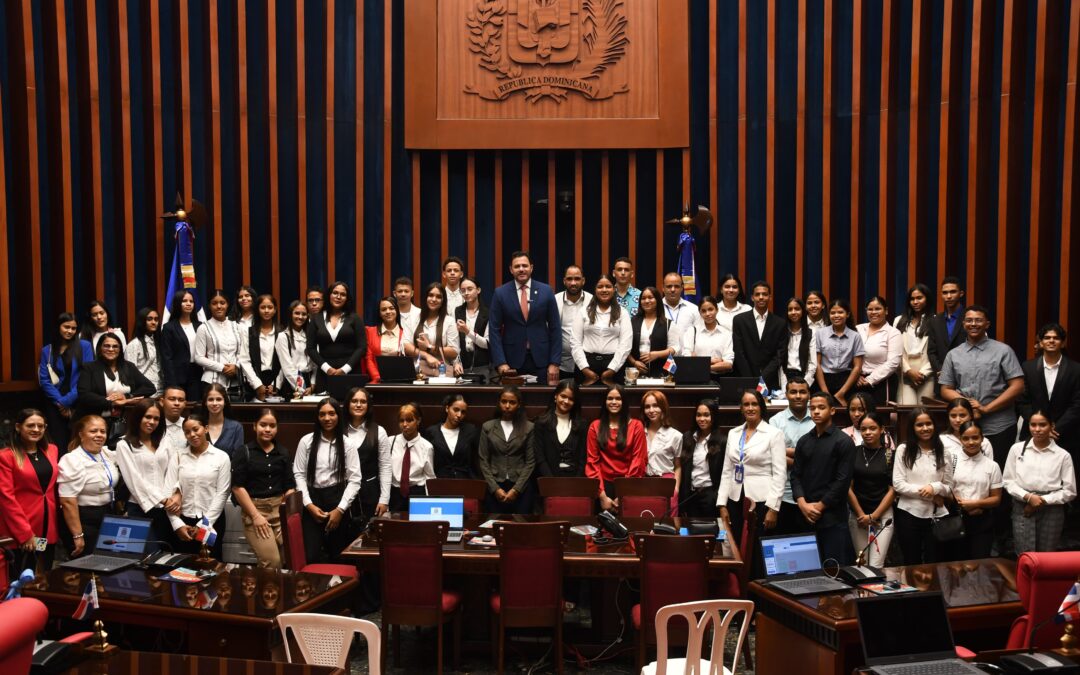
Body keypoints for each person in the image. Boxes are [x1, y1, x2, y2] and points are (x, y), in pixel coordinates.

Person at [939, 305, 1025, 467]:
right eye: (969, 320)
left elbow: (1018, 385)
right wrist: (968, 406)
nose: (973, 324)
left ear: (987, 324)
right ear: (963, 324)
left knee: (999, 473)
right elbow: (945, 389)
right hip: (964, 428)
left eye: (978, 320)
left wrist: (986, 408)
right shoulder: (953, 354)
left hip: (999, 425)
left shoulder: (1003, 351)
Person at [292, 399, 362, 562]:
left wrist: (340, 510)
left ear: (338, 416)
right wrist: (309, 505)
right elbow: (299, 474)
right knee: (311, 556)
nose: (327, 418)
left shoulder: (347, 444)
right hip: (312, 500)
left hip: (337, 499)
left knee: (339, 555)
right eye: (322, 414)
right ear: (317, 417)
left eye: (332, 413)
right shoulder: (306, 441)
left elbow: (355, 480)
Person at [790, 392, 856, 564]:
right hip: (805, 516)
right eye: (812, 408)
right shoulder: (804, 441)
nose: (816, 412)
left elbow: (842, 482)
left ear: (832, 410)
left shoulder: (843, 442)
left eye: (821, 408)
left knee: (834, 571)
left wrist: (819, 507)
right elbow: (795, 475)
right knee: (807, 570)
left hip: (832, 518)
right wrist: (802, 503)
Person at [717, 390, 787, 550]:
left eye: (754, 404)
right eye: (746, 404)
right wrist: (722, 504)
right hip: (736, 498)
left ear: (761, 407)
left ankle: (756, 576)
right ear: (741, 408)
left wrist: (773, 508)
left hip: (762, 500)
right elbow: (727, 471)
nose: (750, 408)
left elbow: (780, 474)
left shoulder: (774, 434)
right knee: (735, 543)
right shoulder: (733, 433)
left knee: (757, 546)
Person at [1003, 411, 1077, 554]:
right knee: (1024, 554)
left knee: (1047, 556)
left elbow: (1070, 491)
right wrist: (1029, 497)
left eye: (1042, 425)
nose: (1037, 429)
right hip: (1022, 504)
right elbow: (1008, 481)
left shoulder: (1063, 455)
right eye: (1033, 425)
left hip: (1052, 509)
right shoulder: (1017, 449)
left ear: (1052, 426)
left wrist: (1042, 500)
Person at [231, 408, 295, 568]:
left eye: (272, 426)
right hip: (255, 511)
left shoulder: (283, 452)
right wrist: (256, 516)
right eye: (263, 425)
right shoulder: (244, 452)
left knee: (286, 561)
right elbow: (237, 487)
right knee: (271, 562)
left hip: (279, 511)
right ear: (254, 426)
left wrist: (284, 514)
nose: (267, 429)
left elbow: (290, 486)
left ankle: (278, 593)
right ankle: (267, 593)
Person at [488, 251, 562, 384]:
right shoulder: (500, 293)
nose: (521, 269)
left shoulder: (546, 291)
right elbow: (494, 331)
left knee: (541, 401)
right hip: (511, 362)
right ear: (511, 269)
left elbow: (555, 328)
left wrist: (554, 362)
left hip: (542, 360)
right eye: (517, 266)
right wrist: (500, 363)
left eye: (524, 266)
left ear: (531, 268)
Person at [114, 399, 180, 548]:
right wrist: (163, 499)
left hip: (166, 509)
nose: (152, 422)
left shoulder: (165, 441)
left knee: (164, 555)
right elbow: (134, 480)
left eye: (156, 418)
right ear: (138, 417)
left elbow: (174, 470)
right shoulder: (124, 445)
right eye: (147, 417)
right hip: (139, 508)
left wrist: (175, 494)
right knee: (144, 555)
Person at [0, 409, 59, 573]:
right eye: (30, 425)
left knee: (44, 578)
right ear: (18, 427)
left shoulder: (52, 450)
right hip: (21, 530)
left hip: (48, 526)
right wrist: (25, 534)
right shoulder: (6, 456)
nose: (36, 429)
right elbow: (6, 498)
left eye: (41, 426)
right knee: (22, 581)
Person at [167, 411, 232, 559]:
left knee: (211, 567)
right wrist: (177, 524)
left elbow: (222, 493)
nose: (192, 434)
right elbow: (168, 492)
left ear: (206, 429)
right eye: (187, 432)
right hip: (184, 522)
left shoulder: (221, 457)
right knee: (184, 568)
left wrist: (203, 525)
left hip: (211, 521)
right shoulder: (178, 456)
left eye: (196, 429)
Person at [58, 415, 121, 558]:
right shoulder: (71, 460)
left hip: (107, 514)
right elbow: (67, 501)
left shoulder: (106, 454)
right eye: (93, 431)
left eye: (102, 431)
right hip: (83, 519)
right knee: (88, 565)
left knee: (108, 562)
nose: (99, 435)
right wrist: (78, 535)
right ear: (81, 434)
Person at [892, 408, 950, 565]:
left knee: (935, 562)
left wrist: (935, 486)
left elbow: (949, 486)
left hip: (936, 516)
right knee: (912, 561)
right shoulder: (903, 450)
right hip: (908, 513)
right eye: (919, 425)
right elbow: (898, 484)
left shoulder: (944, 451)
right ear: (912, 428)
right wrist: (929, 493)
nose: (925, 428)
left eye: (928, 423)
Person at [1019, 323, 1079, 464]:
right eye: (1047, 338)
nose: (1051, 341)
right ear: (1040, 342)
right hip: (1033, 432)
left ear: (1063, 343)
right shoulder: (1028, 367)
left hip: (1065, 434)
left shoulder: (1076, 369)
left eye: (1056, 338)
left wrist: (1055, 429)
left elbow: (1077, 404)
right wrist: (1039, 426)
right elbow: (1022, 401)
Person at [945, 421, 1002, 561]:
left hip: (982, 521)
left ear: (982, 438)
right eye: (966, 438)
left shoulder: (992, 466)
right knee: (956, 564)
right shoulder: (951, 460)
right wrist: (959, 504)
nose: (971, 442)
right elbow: (945, 489)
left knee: (979, 563)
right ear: (960, 439)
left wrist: (976, 504)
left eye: (975, 438)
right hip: (955, 519)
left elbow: (996, 499)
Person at [587, 384, 648, 511]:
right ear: (605, 401)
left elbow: (638, 461)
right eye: (610, 398)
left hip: (629, 485)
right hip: (602, 486)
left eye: (618, 398)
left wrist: (622, 494)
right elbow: (592, 462)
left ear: (624, 402)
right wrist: (602, 497)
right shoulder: (595, 426)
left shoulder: (636, 426)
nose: (614, 402)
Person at [39, 312, 94, 452]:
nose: (70, 331)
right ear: (59, 327)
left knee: (78, 440)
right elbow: (44, 380)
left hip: (78, 399)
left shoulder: (84, 346)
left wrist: (67, 401)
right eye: (66, 327)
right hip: (54, 402)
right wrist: (60, 402)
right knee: (58, 442)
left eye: (73, 328)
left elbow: (86, 376)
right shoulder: (48, 350)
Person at [846, 411, 896, 567]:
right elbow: (848, 488)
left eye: (872, 428)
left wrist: (874, 516)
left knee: (876, 564)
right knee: (861, 562)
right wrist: (862, 515)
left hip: (882, 515)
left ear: (881, 429)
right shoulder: (853, 452)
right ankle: (863, 592)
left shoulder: (889, 454)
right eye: (864, 429)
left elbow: (893, 490)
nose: (867, 433)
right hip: (858, 515)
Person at [478, 386, 536, 513]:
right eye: (504, 401)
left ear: (519, 404)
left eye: (512, 402)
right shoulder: (488, 427)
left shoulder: (528, 427)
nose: (507, 406)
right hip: (494, 485)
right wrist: (495, 488)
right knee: (492, 526)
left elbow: (530, 462)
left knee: (521, 527)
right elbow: (483, 460)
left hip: (521, 486)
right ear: (499, 403)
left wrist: (516, 489)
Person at [75, 333, 155, 423]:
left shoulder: (129, 367)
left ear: (120, 349)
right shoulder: (89, 368)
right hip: (94, 420)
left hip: (124, 421)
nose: (111, 349)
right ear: (100, 348)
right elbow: (84, 394)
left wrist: (126, 397)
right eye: (106, 346)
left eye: (115, 346)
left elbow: (150, 388)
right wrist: (112, 402)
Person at [770, 376, 815, 534]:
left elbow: (821, 454)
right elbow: (773, 455)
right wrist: (807, 456)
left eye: (802, 392)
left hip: (812, 497)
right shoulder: (775, 421)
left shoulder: (817, 419)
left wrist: (786, 451)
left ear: (809, 394)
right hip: (784, 495)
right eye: (793, 392)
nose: (798, 396)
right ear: (786, 394)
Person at [306, 281, 369, 393]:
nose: (338, 297)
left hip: (351, 372)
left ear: (347, 298)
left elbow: (362, 348)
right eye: (335, 293)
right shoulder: (317, 318)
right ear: (329, 295)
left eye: (343, 294)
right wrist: (327, 368)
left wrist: (345, 369)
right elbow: (310, 348)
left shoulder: (355, 318)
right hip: (325, 374)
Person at [572, 274, 632, 386]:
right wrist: (585, 369)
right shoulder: (583, 312)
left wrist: (612, 369)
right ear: (595, 289)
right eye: (600, 287)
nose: (604, 290)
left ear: (614, 289)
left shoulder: (622, 313)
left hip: (614, 366)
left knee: (614, 402)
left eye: (608, 286)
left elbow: (626, 345)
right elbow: (575, 343)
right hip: (586, 365)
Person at [343, 387, 391, 520]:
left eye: (363, 401)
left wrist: (384, 499)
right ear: (348, 404)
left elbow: (385, 467)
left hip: (370, 494)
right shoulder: (338, 430)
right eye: (354, 401)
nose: (358, 405)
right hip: (342, 493)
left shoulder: (379, 431)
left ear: (368, 405)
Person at [732, 281, 788, 392]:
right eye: (757, 294)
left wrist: (762, 378)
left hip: (770, 380)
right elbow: (739, 351)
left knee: (769, 409)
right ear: (752, 298)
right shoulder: (739, 320)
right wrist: (751, 379)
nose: (761, 297)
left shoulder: (780, 323)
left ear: (770, 297)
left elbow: (780, 354)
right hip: (745, 378)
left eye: (765, 294)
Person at [676, 399, 726, 517]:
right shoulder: (688, 437)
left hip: (710, 495)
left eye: (706, 415)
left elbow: (725, 474)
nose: (702, 419)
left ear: (713, 417)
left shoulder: (722, 441)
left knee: (710, 532)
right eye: (698, 415)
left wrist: (716, 497)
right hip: (690, 495)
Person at [192, 289, 245, 397]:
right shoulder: (203, 328)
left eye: (222, 303)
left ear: (227, 305)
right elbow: (198, 357)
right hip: (211, 381)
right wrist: (222, 367)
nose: (219, 306)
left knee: (236, 413)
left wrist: (236, 366)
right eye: (214, 303)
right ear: (209, 306)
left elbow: (244, 353)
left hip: (236, 381)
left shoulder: (237, 327)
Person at [532, 379, 589, 478]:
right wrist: (552, 482)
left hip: (575, 481)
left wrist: (577, 482)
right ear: (556, 396)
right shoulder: (541, 423)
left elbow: (582, 459)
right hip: (548, 480)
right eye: (563, 396)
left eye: (571, 399)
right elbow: (540, 458)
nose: (566, 401)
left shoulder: (582, 425)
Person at [815, 298, 865, 406]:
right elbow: (817, 364)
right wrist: (825, 392)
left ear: (847, 314)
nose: (836, 315)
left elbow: (857, 367)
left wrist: (842, 393)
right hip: (824, 379)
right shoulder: (820, 333)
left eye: (840, 312)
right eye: (833, 313)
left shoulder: (855, 336)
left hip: (846, 381)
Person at [386, 402, 436, 511]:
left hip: (417, 493)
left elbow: (429, 477)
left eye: (409, 420)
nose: (404, 424)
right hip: (395, 493)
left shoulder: (426, 447)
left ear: (418, 421)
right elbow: (384, 472)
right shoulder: (390, 442)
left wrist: (430, 502)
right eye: (401, 421)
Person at [403, 282, 458, 377]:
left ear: (443, 301)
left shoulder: (449, 321)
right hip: (417, 374)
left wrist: (429, 347)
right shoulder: (413, 318)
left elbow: (453, 352)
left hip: (441, 373)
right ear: (425, 298)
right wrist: (426, 355)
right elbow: (406, 346)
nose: (434, 299)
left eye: (438, 297)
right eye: (431, 295)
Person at [855, 296, 902, 405]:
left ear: (886, 311)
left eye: (878, 309)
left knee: (880, 418)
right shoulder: (858, 329)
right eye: (870, 309)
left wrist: (870, 379)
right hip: (857, 380)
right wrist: (855, 375)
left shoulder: (893, 333)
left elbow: (893, 362)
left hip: (882, 383)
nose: (873, 312)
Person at [893, 283, 935, 404]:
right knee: (906, 410)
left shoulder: (935, 321)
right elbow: (895, 350)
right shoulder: (898, 320)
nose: (915, 302)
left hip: (926, 373)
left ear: (927, 299)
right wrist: (908, 371)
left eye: (919, 298)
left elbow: (936, 351)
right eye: (912, 299)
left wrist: (923, 373)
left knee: (925, 412)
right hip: (905, 372)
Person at [627, 286, 681, 378]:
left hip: (661, 373)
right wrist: (634, 362)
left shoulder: (668, 323)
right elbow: (624, 347)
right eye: (643, 298)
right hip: (635, 372)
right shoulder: (632, 322)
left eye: (651, 297)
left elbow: (675, 349)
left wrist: (656, 354)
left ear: (657, 300)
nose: (647, 301)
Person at [160, 290, 203, 402]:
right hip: (177, 376)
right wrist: (172, 383)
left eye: (191, 301)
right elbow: (166, 357)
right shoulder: (169, 328)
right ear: (178, 303)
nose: (189, 304)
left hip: (197, 374)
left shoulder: (200, 326)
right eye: (184, 301)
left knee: (195, 408)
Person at [424, 393, 480, 479]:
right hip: (440, 482)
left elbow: (475, 461)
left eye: (463, 412)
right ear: (447, 408)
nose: (459, 415)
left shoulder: (470, 430)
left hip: (464, 482)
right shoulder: (432, 432)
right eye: (456, 410)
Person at [239, 294, 283, 401]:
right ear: (257, 310)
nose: (266, 311)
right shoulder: (248, 332)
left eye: (270, 307)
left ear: (275, 309)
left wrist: (277, 384)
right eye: (263, 307)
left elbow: (286, 362)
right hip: (254, 381)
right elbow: (244, 360)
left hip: (277, 381)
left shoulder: (282, 332)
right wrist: (257, 385)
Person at [682, 296, 735, 379]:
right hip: (696, 378)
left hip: (720, 379)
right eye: (703, 311)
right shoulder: (692, 331)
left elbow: (728, 364)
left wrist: (699, 364)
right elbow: (687, 359)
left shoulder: (726, 333)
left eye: (710, 309)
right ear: (700, 313)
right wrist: (713, 361)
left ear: (717, 310)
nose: (707, 314)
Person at [555, 265, 593, 380]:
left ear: (583, 280)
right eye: (569, 279)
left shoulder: (592, 301)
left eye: (577, 279)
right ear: (564, 281)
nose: (573, 283)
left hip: (587, 364)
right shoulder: (555, 300)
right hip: (560, 364)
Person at [641, 391, 683, 490]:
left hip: (666, 484)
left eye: (655, 405)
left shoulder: (675, 435)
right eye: (647, 407)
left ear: (663, 408)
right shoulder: (639, 433)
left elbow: (678, 466)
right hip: (643, 484)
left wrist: (676, 488)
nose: (651, 410)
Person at [927, 277, 967, 380]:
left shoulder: (970, 318)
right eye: (945, 293)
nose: (948, 296)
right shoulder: (935, 321)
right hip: (941, 377)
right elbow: (931, 352)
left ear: (961, 293)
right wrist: (943, 371)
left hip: (966, 376)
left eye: (953, 292)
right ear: (941, 295)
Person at [453, 277, 491, 380]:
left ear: (478, 290)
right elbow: (454, 341)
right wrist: (456, 362)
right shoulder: (458, 311)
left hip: (482, 364)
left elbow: (487, 344)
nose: (466, 293)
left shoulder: (487, 313)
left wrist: (467, 331)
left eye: (470, 289)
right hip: (462, 364)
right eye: (463, 290)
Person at [276, 300, 314, 397]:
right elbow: (287, 368)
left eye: (304, 314)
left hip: (309, 382)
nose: (300, 317)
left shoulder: (311, 336)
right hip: (292, 382)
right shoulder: (283, 336)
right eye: (297, 313)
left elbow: (316, 365)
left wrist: (313, 386)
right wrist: (302, 389)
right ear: (290, 314)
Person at [778, 297, 817, 392]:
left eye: (797, 309)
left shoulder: (811, 333)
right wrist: (785, 386)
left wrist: (805, 384)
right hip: (785, 377)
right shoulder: (781, 332)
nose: (793, 312)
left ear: (803, 311)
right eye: (790, 309)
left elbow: (813, 364)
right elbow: (779, 362)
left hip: (803, 377)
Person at [126, 308, 164, 397]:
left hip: (161, 390)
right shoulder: (134, 344)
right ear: (142, 321)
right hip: (145, 391)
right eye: (149, 319)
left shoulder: (160, 342)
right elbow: (130, 373)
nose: (154, 322)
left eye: (156, 319)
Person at [202, 383, 245, 459]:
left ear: (225, 402)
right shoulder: (199, 425)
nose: (215, 403)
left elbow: (237, 459)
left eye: (219, 399)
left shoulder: (236, 427)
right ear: (205, 402)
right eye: (211, 399)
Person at [660, 271, 705, 336]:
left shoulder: (694, 309)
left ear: (682, 288)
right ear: (663, 288)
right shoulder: (655, 309)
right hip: (663, 346)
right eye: (669, 286)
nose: (673, 290)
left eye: (676, 286)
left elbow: (699, 335)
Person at [159, 385, 188, 455]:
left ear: (185, 404)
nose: (177, 403)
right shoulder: (154, 425)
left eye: (181, 400)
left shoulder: (189, 425)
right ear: (162, 402)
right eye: (172, 399)